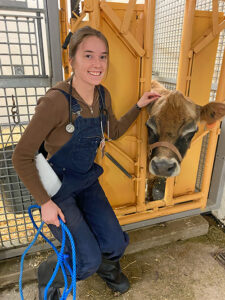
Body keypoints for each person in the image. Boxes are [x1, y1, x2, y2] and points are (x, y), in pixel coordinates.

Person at [12, 26, 160, 299]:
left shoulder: (102, 96)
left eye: (102, 57)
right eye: (88, 55)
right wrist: (45, 202)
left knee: (115, 243)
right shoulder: (56, 102)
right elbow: (21, 156)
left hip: (86, 181)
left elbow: (112, 131)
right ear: (72, 60)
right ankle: (50, 274)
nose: (97, 64)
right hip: (58, 191)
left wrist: (138, 106)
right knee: (86, 260)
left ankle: (106, 268)